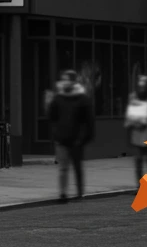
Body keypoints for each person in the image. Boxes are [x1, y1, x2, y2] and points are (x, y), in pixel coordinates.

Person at [47, 69, 95, 202]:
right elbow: (52, 117)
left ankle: (80, 193)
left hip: (77, 140)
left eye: (67, 79)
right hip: (61, 139)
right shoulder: (58, 98)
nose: (64, 82)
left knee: (77, 166)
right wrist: (49, 103)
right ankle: (63, 194)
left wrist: (84, 138)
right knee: (63, 168)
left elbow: (89, 120)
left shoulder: (82, 99)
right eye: (63, 79)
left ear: (73, 82)